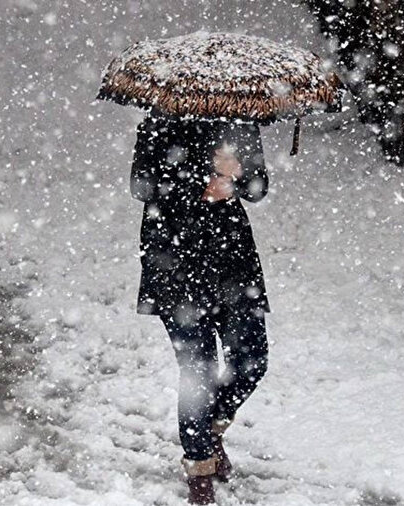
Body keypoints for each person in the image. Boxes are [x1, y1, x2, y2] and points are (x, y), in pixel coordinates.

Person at [130, 110, 271, 505]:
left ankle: (208, 430)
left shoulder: (240, 119)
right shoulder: (160, 121)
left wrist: (237, 176)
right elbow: (141, 186)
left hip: (232, 261)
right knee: (199, 370)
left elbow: (259, 188)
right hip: (174, 260)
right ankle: (199, 471)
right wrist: (201, 179)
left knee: (252, 358)